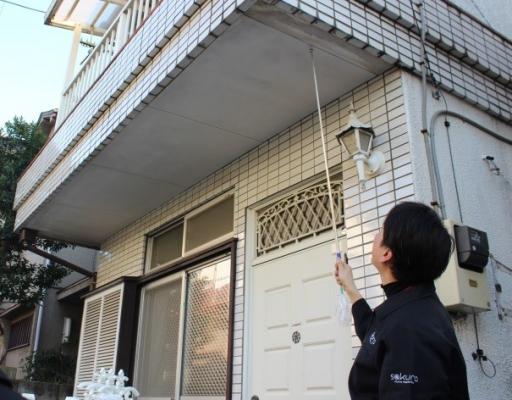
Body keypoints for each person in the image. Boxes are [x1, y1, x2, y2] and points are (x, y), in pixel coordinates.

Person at [335, 201, 470, 399]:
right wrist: (350, 288)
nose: (376, 235)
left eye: (381, 230)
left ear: (386, 253)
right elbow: (376, 336)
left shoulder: (411, 328)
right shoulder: (415, 307)